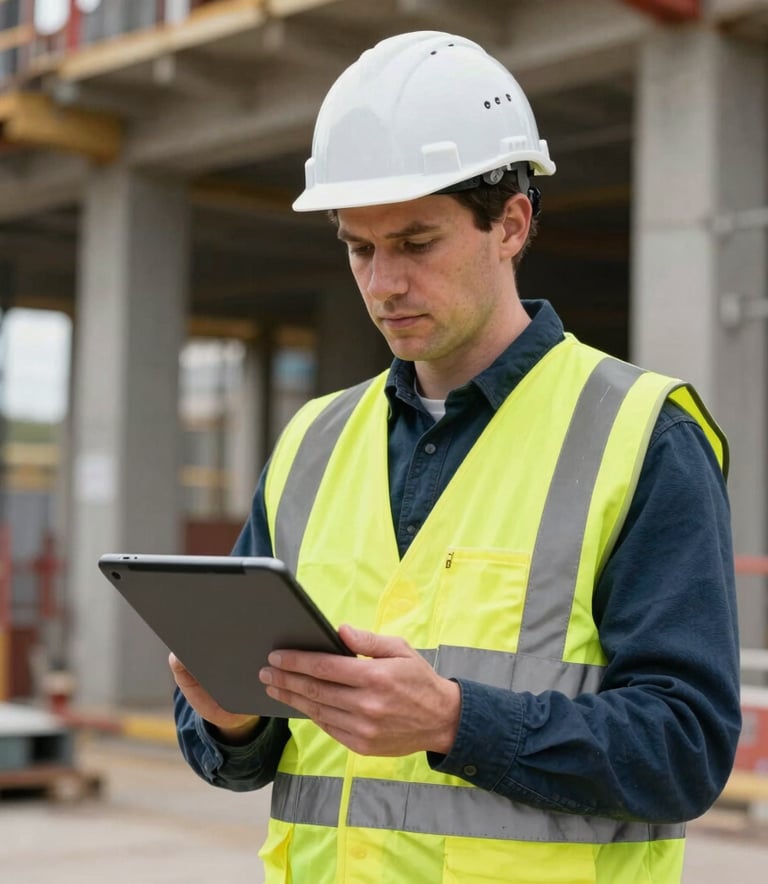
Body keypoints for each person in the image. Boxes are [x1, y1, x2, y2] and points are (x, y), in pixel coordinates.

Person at [171, 31, 740, 883]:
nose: (382, 284)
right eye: (359, 248)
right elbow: (248, 757)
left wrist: (452, 721)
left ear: (510, 223)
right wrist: (232, 724)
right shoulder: (312, 443)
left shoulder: (641, 434)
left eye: (415, 243)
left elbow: (685, 750)